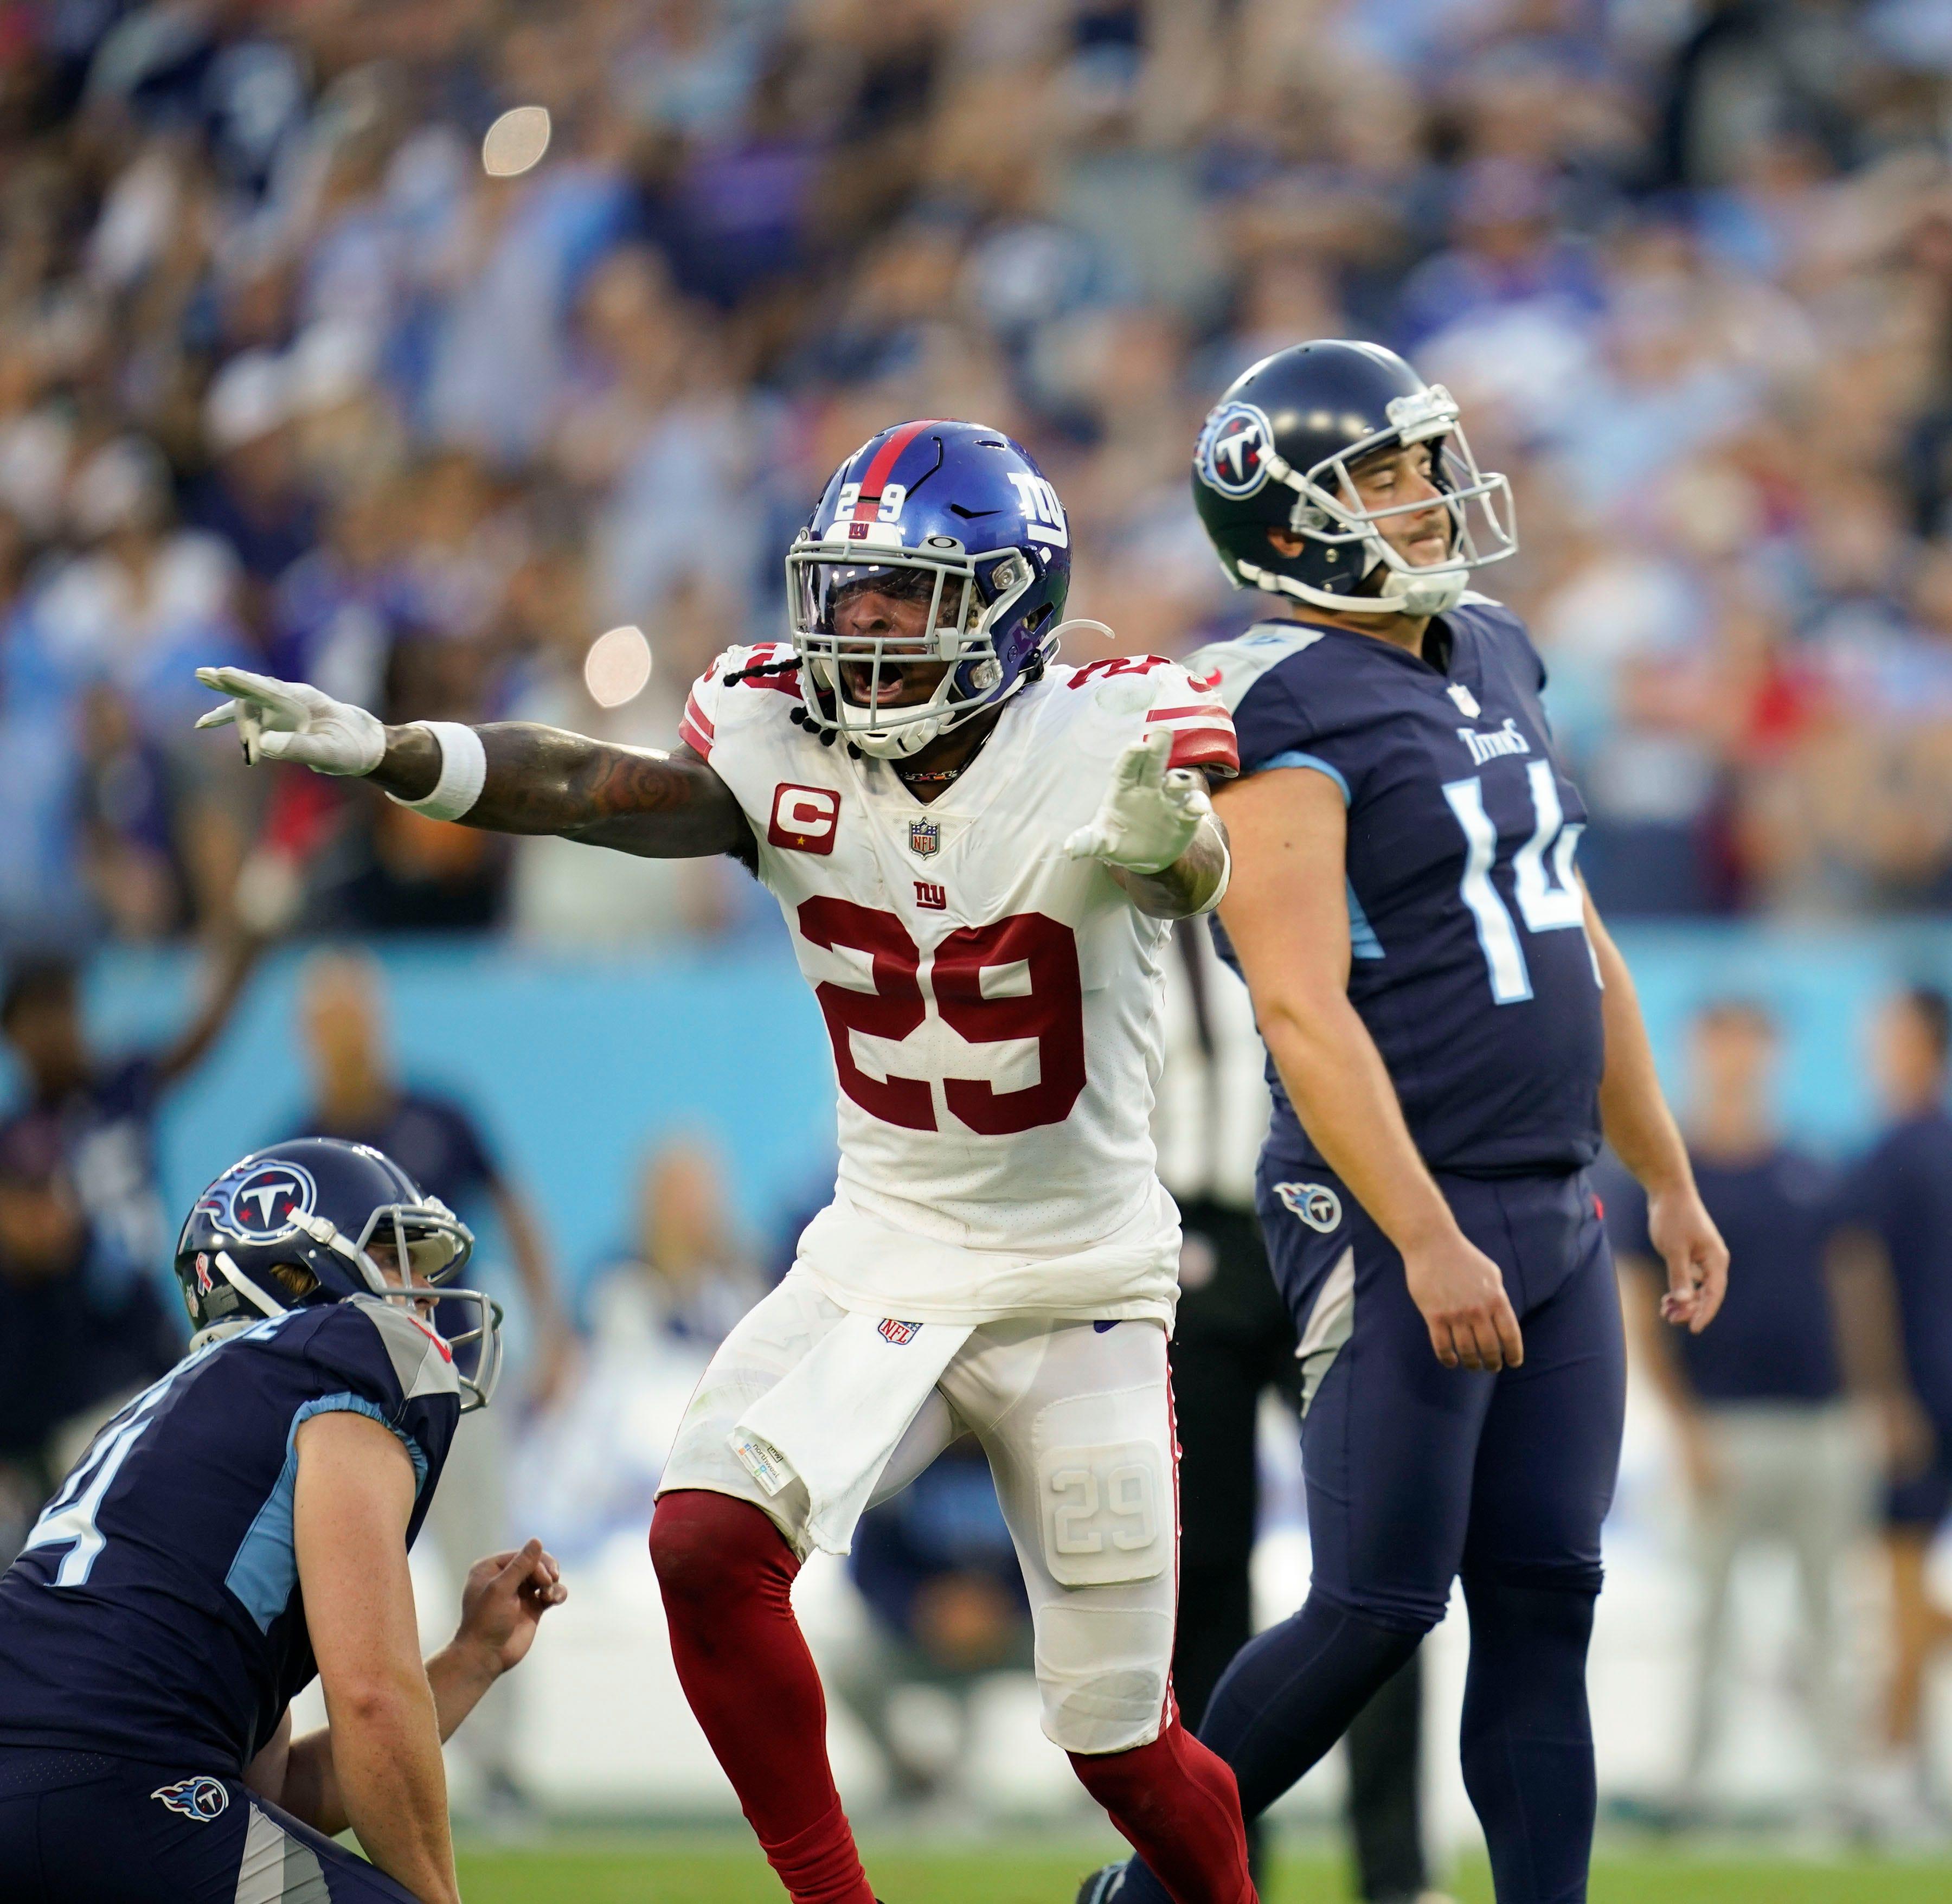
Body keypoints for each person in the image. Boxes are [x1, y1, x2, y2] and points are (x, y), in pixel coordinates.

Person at [195, 418, 1260, 1904]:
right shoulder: (777, 732)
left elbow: (1181, 865)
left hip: (1081, 1273)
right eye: (847, 588)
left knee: (1119, 1743)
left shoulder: (1110, 727)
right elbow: (591, 787)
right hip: (888, 1246)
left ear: (1013, 605)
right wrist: (391, 750)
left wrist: (1181, 851)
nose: (862, 628)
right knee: (703, 1536)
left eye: (906, 594)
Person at [1084, 342, 1728, 1904]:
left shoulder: (1493, 649)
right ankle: (1150, 1889)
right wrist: (1427, 1233)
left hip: (1554, 1204)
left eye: (1427, 461)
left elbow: (1573, 932)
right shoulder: (1274, 699)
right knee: (1377, 1598)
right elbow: (1303, 1009)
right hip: (1391, 1209)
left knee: (1544, 1594)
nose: (1430, 496)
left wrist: (1668, 1172)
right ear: (1287, 520)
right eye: (1384, 473)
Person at [0, 1136, 566, 1903]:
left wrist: (468, 1658)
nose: (427, 1295)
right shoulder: (346, 1356)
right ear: (300, 1267)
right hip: (118, 1783)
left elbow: (260, 1796)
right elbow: (371, 1696)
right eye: (400, 1259)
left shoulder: (180, 1416)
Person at [1157, 916, 1443, 1904]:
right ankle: (1224, 1870)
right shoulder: (1140, 908)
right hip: (1193, 1245)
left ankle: (1396, 1874)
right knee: (1205, 1577)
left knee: (1379, 1571)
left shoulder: (1331, 888)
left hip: (1331, 1225)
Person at [291, 943, 574, 1819]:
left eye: (356, 1015)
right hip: (351, 1400)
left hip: (453, 1375)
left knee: (483, 1551)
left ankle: (499, 1766)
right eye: (331, 1020)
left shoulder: (435, 1115)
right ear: (310, 1035)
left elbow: (514, 1207)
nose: (346, 1036)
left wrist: (552, 1326)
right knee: (334, 1574)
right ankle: (310, 1751)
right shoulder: (301, 1147)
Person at [1603, 1001, 1899, 1820]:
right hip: (1722, 1426)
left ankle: (1848, 1786)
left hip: (1819, 1422)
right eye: (1723, 1040)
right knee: (1708, 1616)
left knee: (1832, 1612)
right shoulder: (1673, 1173)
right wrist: (1684, 1426)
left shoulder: (1807, 1164)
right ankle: (1693, 1783)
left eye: (1751, 1041)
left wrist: (1875, 1400)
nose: (1738, 1058)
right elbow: (1640, 1304)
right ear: (1698, 1051)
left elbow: (1854, 1281)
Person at [1831, 984, 1952, 1831]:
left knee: (1906, 1590)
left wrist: (1882, 1394)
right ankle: (1901, 1767)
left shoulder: (1887, 1155)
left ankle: (1890, 1771)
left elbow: (1856, 1277)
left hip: (1920, 1395)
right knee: (1906, 1590)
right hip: (1928, 1392)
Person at [1, 932, 264, 1298]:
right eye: (38, 1016)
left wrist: (250, 946)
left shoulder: (122, 1085)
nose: (55, 1031)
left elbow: (199, 1035)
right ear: (14, 1034)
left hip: (142, 1306)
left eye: (62, 1007)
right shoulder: (15, 1137)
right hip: (59, 1315)